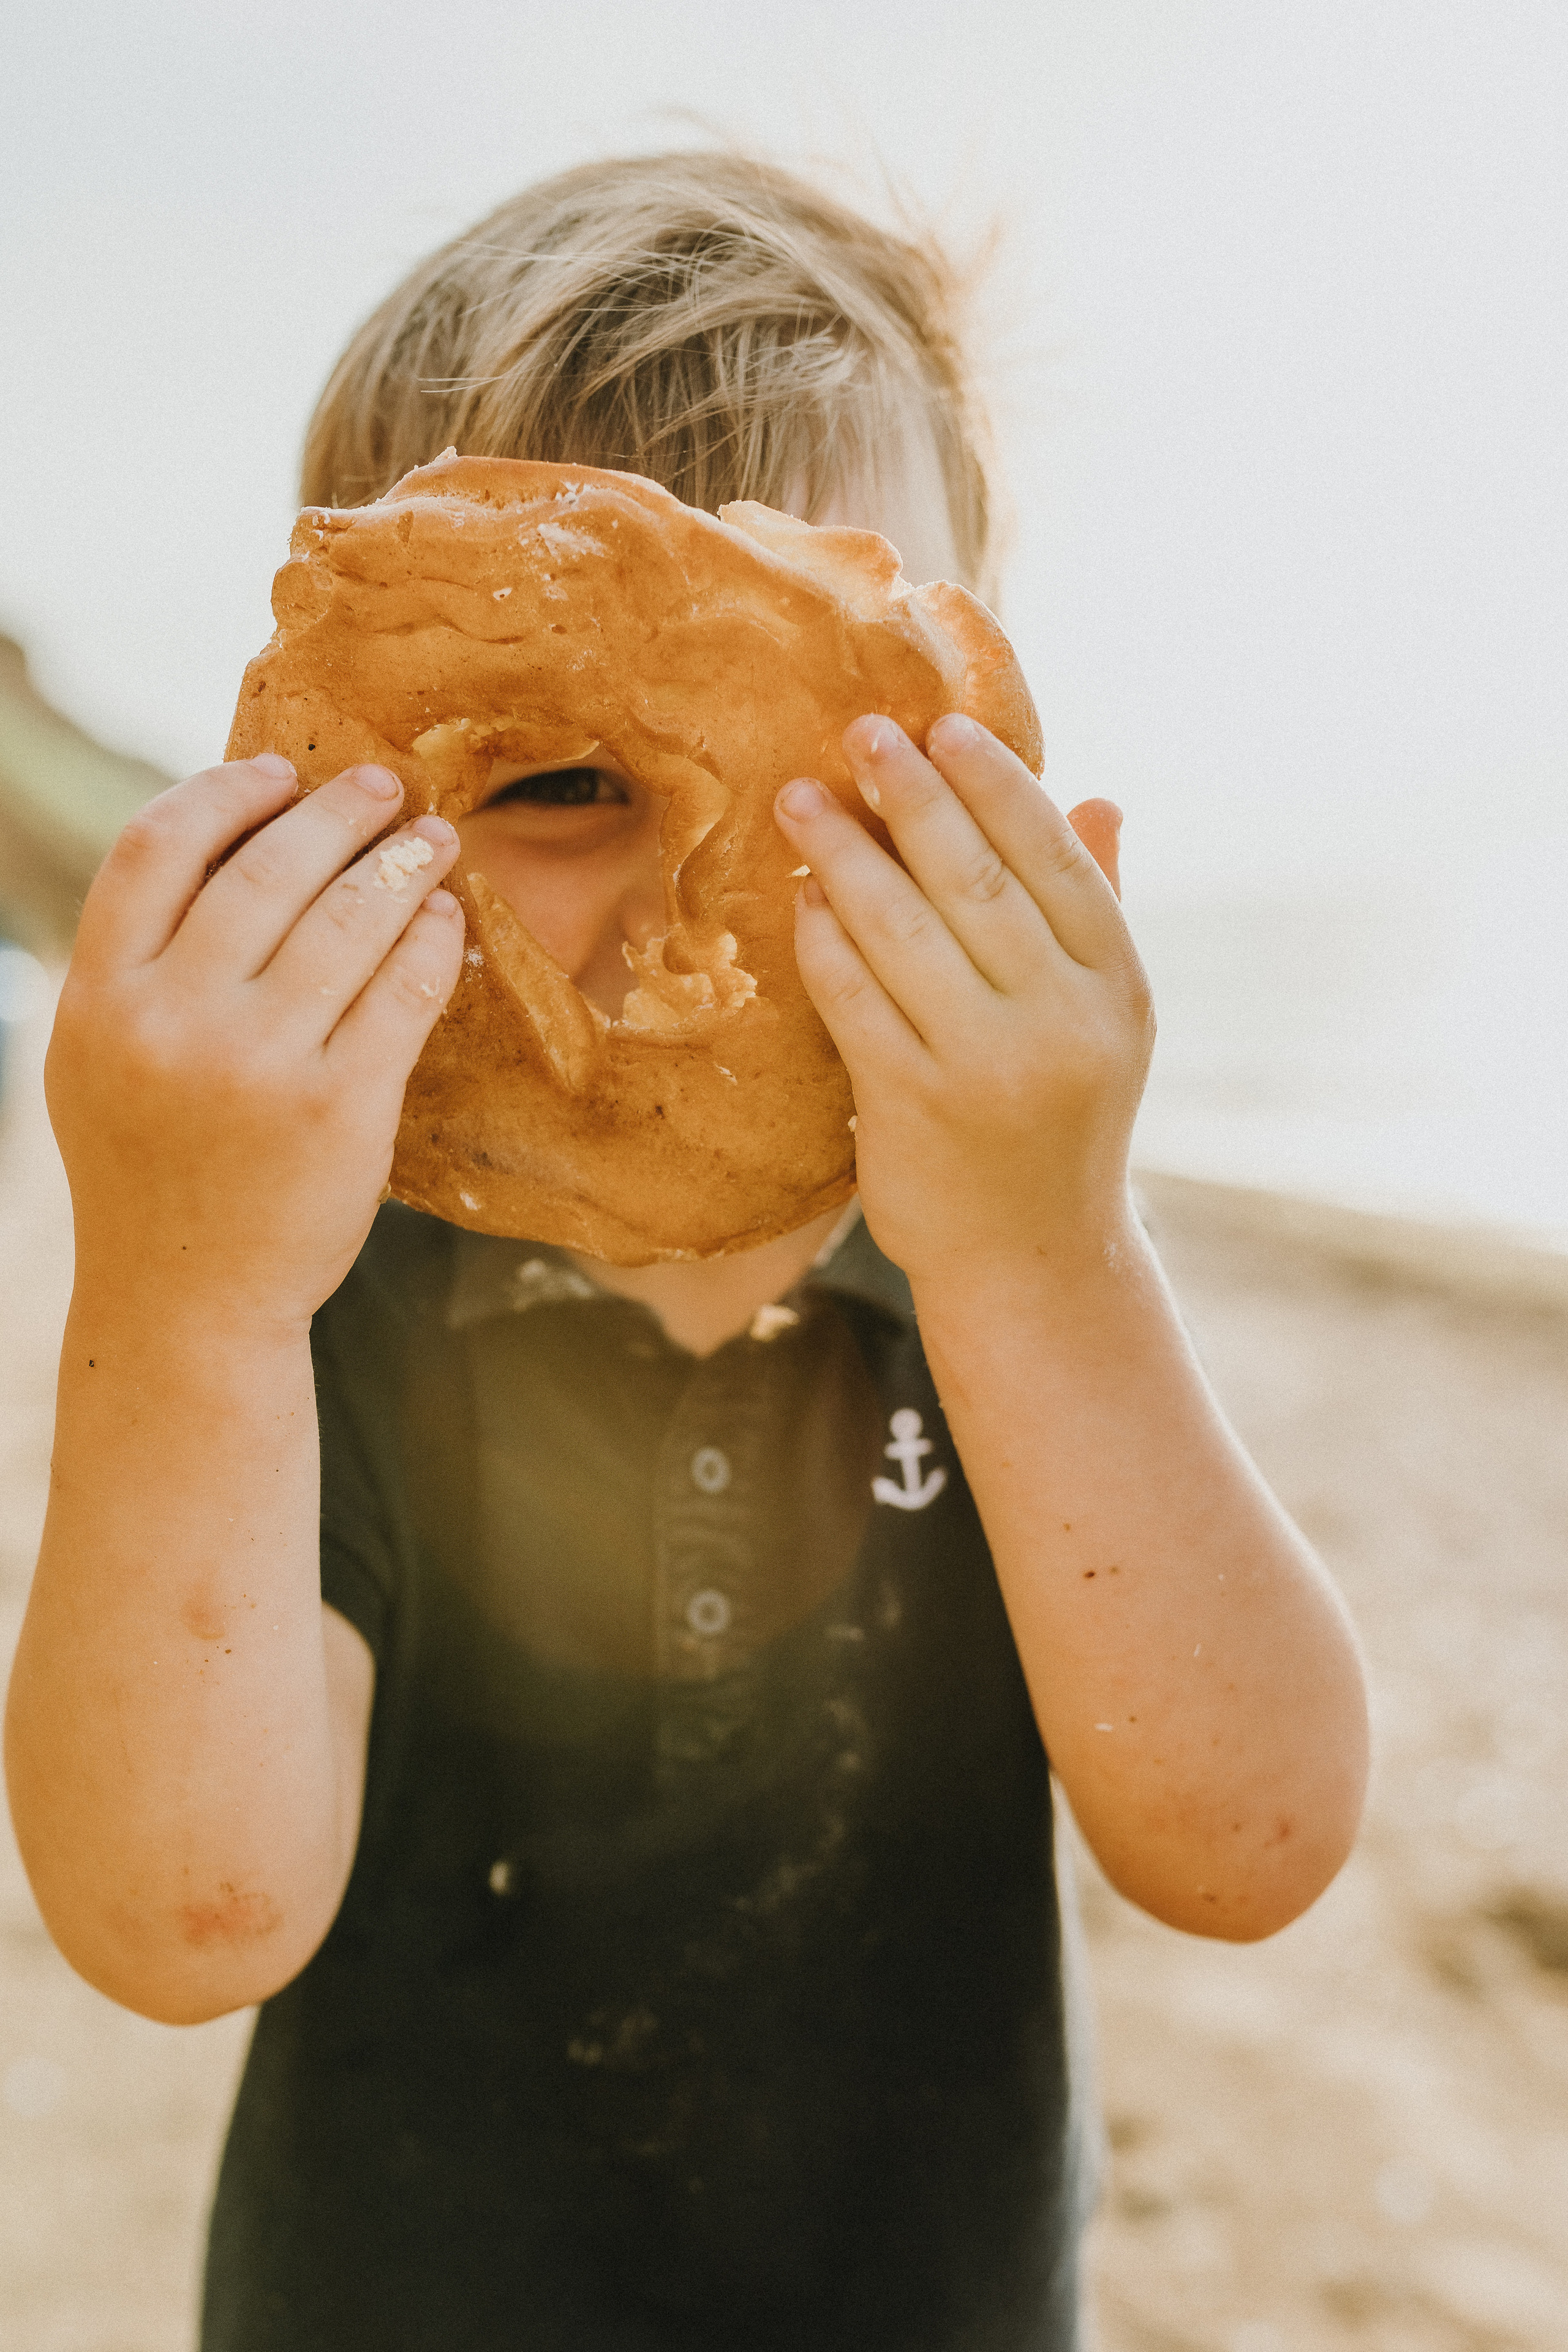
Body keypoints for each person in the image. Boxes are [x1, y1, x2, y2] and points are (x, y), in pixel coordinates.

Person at [5, 154, 1370, 2351]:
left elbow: (1253, 1842)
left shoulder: (1012, 1283)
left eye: (842, 779)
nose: (689, 925)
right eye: (559, 785)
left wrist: (1047, 1268)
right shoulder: (323, 1298)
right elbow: (179, 1919)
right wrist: (183, 1298)